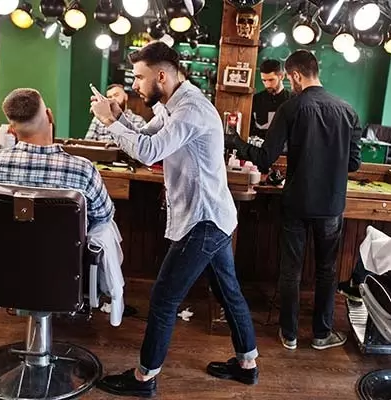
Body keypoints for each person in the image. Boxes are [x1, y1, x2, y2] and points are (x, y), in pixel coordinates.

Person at [90, 41, 258, 398]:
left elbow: (150, 152)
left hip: (203, 220)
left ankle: (144, 379)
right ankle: (248, 365)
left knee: (164, 299)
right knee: (228, 292)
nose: (135, 84)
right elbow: (148, 136)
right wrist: (119, 117)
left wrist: (110, 123)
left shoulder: (191, 109)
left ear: (162, 76)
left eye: (140, 77)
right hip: (213, 216)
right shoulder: (174, 105)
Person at [225, 50, 362, 351]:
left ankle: (289, 334)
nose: (290, 83)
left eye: (289, 78)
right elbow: (354, 163)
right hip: (331, 204)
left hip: (298, 201)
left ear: (297, 75)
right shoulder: (348, 111)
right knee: (327, 270)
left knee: (291, 269)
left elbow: (265, 158)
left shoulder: (291, 107)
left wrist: (236, 142)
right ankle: (322, 335)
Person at [0, 88, 114, 230]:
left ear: (11, 129)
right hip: (61, 245)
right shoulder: (83, 170)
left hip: (2, 244)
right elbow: (105, 215)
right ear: (49, 116)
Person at [250, 59, 291, 140]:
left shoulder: (292, 100)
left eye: (271, 80)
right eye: (264, 80)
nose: (267, 85)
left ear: (281, 76)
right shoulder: (256, 99)